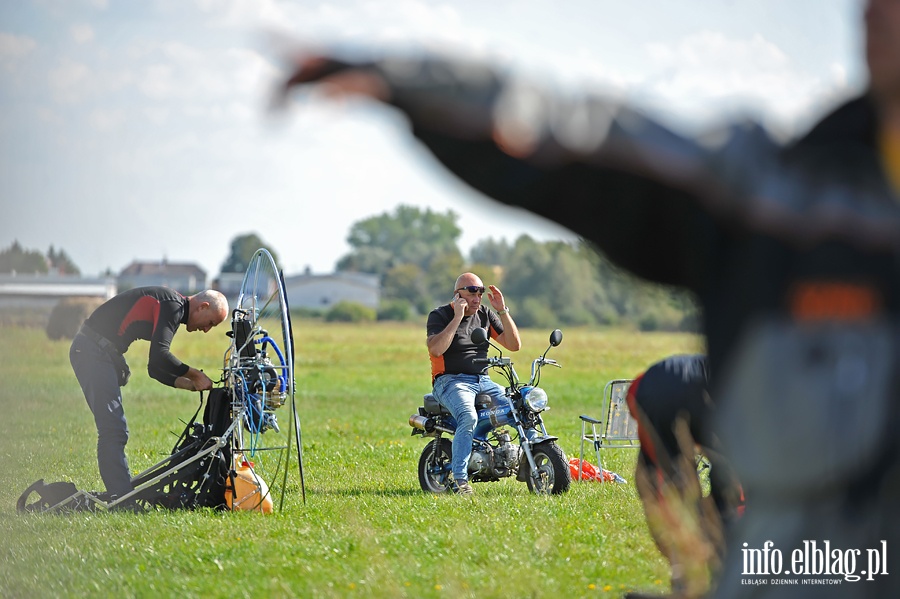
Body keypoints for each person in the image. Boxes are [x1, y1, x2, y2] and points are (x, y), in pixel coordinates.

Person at [276, 1, 900, 594]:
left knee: (512, 402)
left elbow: (513, 345)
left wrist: (500, 311)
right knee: (614, 397)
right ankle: (466, 479)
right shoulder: (780, 199)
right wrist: (416, 84)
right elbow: (582, 139)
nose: (870, 11)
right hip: (454, 389)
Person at [69, 286, 229, 504]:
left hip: (98, 351)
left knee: (115, 429)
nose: (207, 329)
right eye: (210, 322)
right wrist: (194, 374)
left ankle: (123, 496)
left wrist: (190, 385)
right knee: (113, 429)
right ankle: (123, 501)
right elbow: (160, 356)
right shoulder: (172, 306)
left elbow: (154, 369)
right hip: (91, 351)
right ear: (203, 306)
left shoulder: (174, 307)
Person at [625, 355, 743, 598]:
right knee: (727, 490)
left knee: (664, 495)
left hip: (651, 393)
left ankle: (683, 577)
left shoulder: (645, 387)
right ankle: (725, 570)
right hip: (710, 394)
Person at [426, 272, 521, 495]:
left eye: (480, 292)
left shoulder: (486, 314)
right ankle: (460, 481)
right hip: (450, 381)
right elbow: (435, 349)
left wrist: (502, 310)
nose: (477, 297)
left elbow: (514, 345)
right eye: (472, 292)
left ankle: (533, 456)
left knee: (520, 406)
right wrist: (457, 317)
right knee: (468, 416)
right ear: (458, 295)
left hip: (483, 380)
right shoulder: (440, 315)